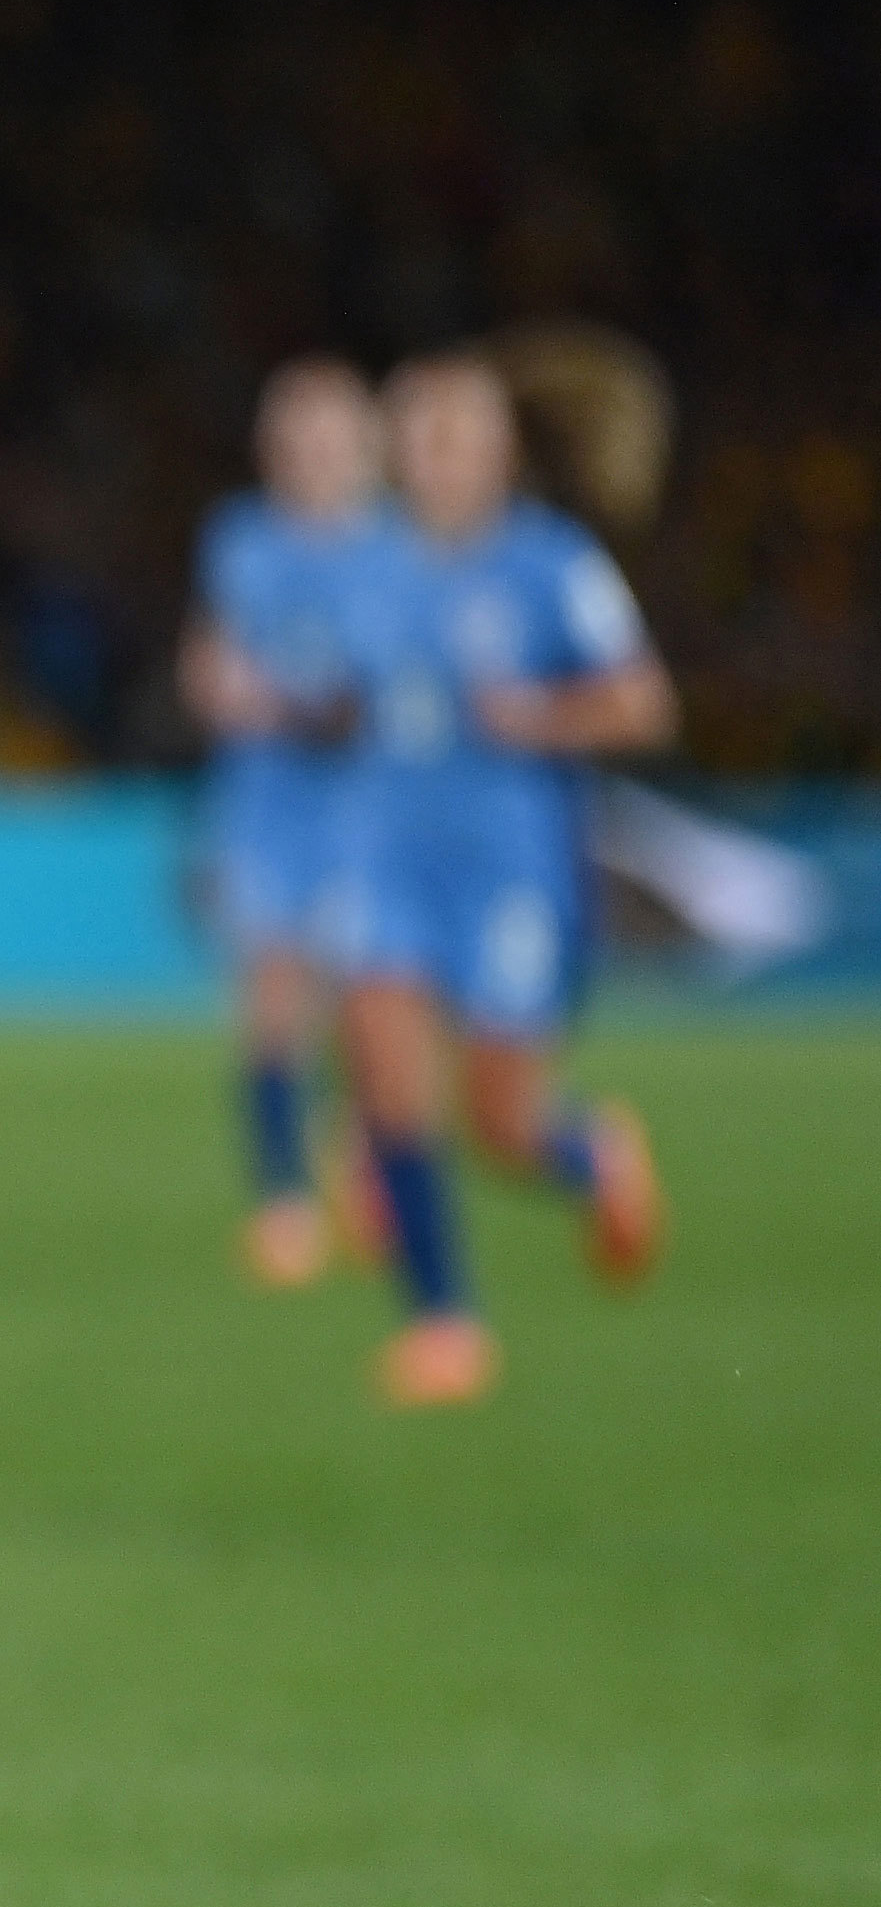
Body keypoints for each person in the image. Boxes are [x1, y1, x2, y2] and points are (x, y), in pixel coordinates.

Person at [322, 346, 674, 1405]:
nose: (429, 456)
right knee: (385, 1072)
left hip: (511, 871)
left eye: (451, 434)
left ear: (497, 451)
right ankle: (443, 1325)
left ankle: (591, 1152)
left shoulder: (549, 565)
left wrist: (535, 718)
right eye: (415, 435)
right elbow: (353, 698)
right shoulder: (367, 566)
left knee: (498, 1123)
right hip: (391, 859)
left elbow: (640, 703)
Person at [178, 358, 390, 1289]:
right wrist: (217, 687)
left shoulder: (394, 549)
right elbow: (209, 656)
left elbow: (383, 696)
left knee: (364, 1011)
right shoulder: (242, 540)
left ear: (364, 448)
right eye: (294, 438)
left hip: (366, 813)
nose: (309, 455)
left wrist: (294, 705)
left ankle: (360, 1159)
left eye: (327, 438)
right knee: (269, 1006)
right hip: (266, 807)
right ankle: (283, 1203)